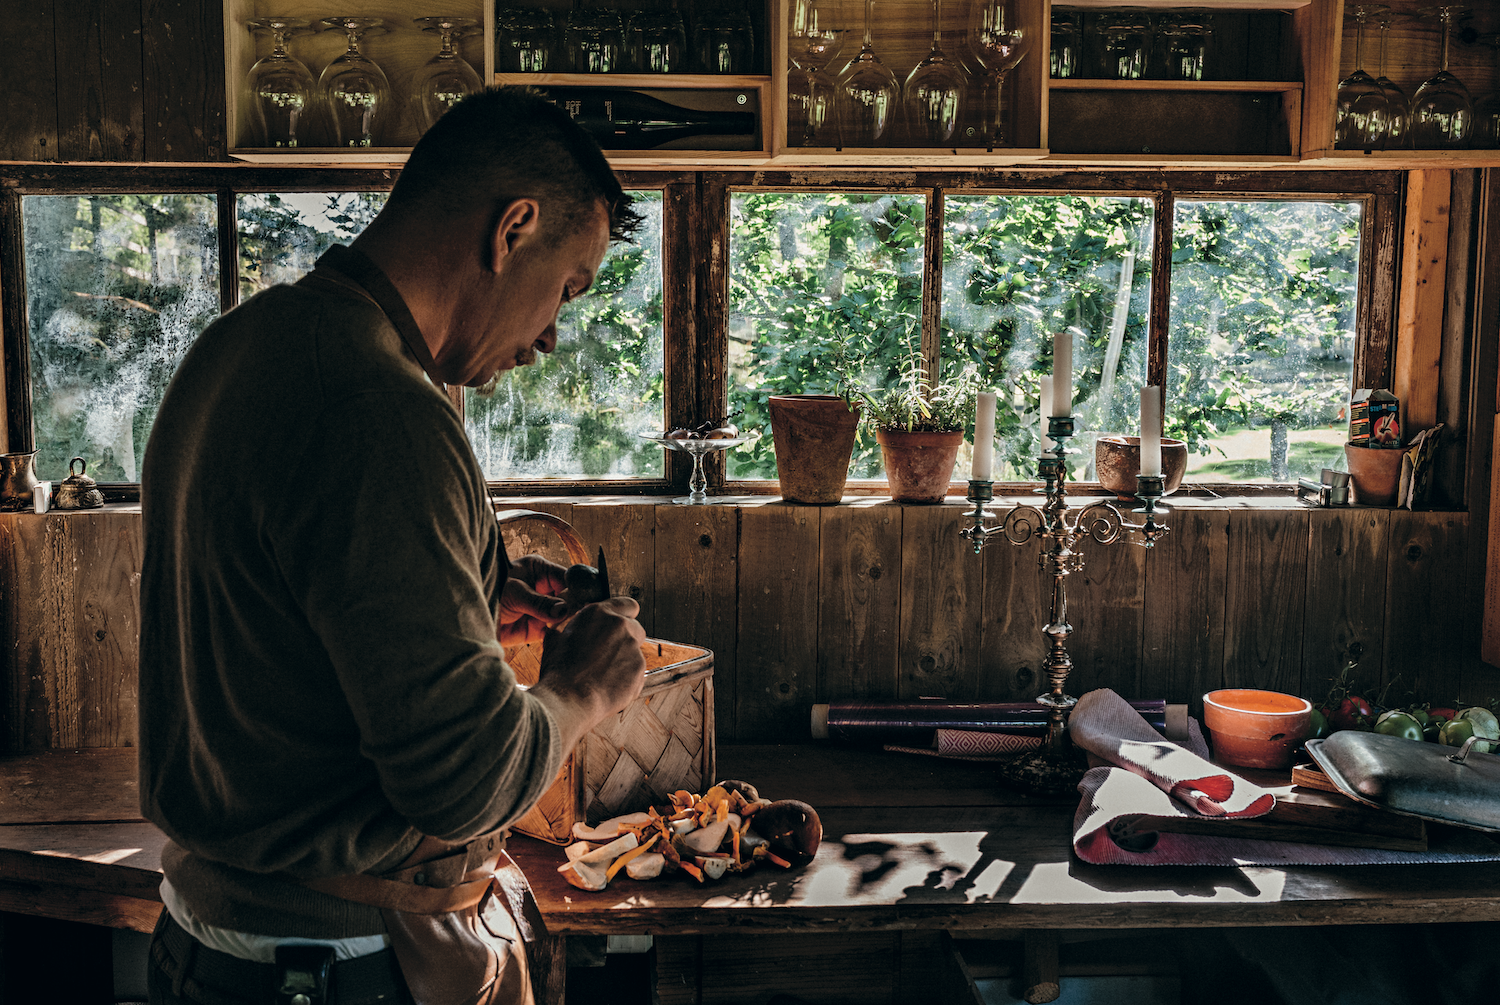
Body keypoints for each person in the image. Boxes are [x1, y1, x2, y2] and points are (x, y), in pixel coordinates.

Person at [138, 87, 648, 1005]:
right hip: (335, 970)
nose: (550, 335)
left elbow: (290, 616)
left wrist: (468, 592)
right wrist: (583, 688)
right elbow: (465, 783)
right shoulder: (380, 411)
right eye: (568, 288)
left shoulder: (241, 345)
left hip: (218, 947)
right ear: (514, 228)